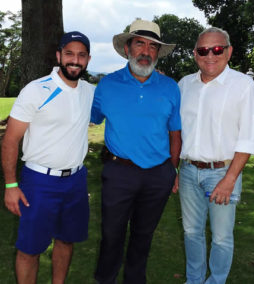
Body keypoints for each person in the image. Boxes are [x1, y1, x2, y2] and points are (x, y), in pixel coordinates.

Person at [92, 19, 182, 284]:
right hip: (119, 172)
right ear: (128, 49)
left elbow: (175, 133)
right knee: (111, 234)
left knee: (143, 235)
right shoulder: (107, 85)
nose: (146, 51)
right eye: (140, 44)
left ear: (157, 52)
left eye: (152, 46)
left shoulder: (170, 87)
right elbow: (88, 118)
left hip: (158, 175)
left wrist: (172, 170)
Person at [1, 31, 94, 284]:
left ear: (87, 59)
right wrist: (11, 185)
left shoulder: (89, 91)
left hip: (76, 181)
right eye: (69, 54)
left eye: (81, 55)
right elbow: (10, 140)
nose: (75, 60)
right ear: (59, 56)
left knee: (66, 239)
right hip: (39, 181)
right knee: (30, 248)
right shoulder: (36, 90)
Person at [177, 27, 254, 284]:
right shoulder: (184, 85)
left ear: (228, 51)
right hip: (188, 171)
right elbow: (176, 130)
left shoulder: (243, 85)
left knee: (222, 237)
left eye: (217, 49)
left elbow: (249, 137)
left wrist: (230, 179)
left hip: (224, 172)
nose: (210, 55)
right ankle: (194, 280)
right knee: (191, 233)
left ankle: (216, 281)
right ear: (195, 54)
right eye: (203, 50)